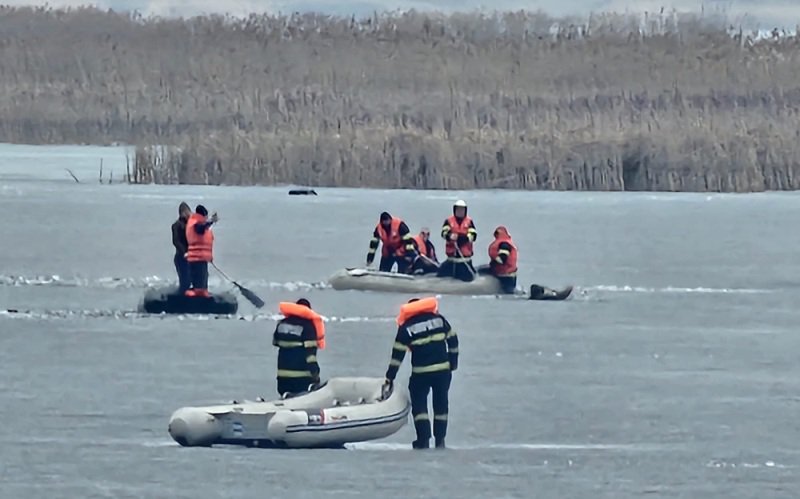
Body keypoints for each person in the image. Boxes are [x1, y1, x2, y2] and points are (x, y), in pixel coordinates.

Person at [384, 296, 458, 449]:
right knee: (441, 406)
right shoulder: (440, 320)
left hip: (421, 373)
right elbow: (453, 341)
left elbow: (397, 356)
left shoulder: (406, 328)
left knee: (420, 406)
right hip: (443, 371)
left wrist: (390, 377)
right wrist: (453, 363)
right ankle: (440, 440)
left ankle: (423, 440)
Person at [273, 298, 325, 397]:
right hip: (302, 379)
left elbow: (275, 342)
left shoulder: (281, 324)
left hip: (282, 378)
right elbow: (311, 356)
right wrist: (316, 376)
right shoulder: (308, 326)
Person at [436, 200, 477, 282]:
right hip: (452, 259)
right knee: (440, 276)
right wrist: (450, 236)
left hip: (464, 259)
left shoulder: (469, 222)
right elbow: (444, 233)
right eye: (458, 209)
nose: (460, 211)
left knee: (468, 278)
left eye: (462, 210)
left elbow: (473, 235)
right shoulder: (448, 221)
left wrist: (464, 238)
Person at [185, 204, 218, 297]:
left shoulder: (196, 222)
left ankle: (202, 293)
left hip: (200, 257)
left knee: (203, 279)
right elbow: (200, 228)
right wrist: (210, 221)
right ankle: (198, 296)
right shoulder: (195, 223)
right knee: (199, 280)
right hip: (197, 258)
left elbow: (203, 227)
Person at [483, 225, 518, 294]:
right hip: (502, 272)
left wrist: (493, 263)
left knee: (508, 291)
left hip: (506, 274)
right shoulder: (503, 242)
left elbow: (502, 259)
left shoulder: (504, 244)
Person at [171, 202, 192, 293]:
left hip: (194, 258)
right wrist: (184, 252)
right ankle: (182, 298)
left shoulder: (193, 225)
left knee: (198, 280)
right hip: (181, 258)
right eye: (185, 212)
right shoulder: (176, 225)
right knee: (185, 281)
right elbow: (176, 241)